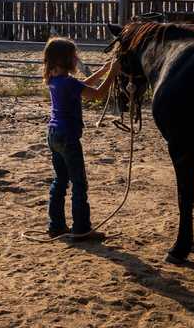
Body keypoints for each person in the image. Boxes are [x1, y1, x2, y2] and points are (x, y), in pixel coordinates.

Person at [42, 36, 117, 241]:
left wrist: (101, 71)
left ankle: (56, 225)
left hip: (54, 134)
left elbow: (80, 86)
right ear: (65, 59)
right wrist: (113, 72)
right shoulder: (68, 82)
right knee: (79, 183)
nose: (76, 58)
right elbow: (99, 94)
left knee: (60, 180)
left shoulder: (55, 79)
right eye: (74, 56)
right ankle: (81, 228)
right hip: (68, 137)